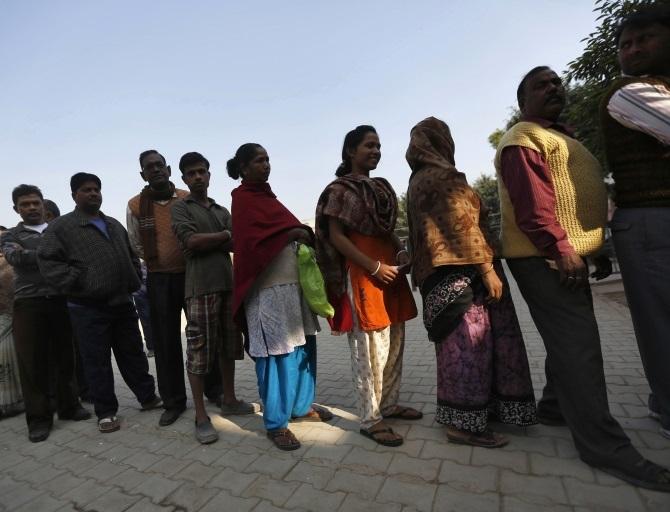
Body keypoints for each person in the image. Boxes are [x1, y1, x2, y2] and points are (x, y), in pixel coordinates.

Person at [495, 66, 670, 491]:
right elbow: (533, 205)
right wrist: (561, 249)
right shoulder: (523, 137)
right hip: (543, 258)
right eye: (542, 84)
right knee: (580, 347)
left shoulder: (563, 136)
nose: (555, 87)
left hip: (565, 254)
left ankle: (555, 408)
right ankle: (604, 446)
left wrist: (592, 251)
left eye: (557, 82)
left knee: (568, 342)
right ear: (523, 101)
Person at [406, 117, 537, 448]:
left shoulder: (417, 181)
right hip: (466, 277)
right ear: (442, 142)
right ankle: (463, 426)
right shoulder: (444, 177)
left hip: (439, 280)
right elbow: (465, 227)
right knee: (472, 347)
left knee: (456, 350)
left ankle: (469, 413)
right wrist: (487, 269)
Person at [315, 125, 419, 447]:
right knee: (370, 350)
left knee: (395, 342)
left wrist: (400, 249)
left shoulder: (380, 189)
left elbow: (385, 229)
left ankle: (388, 403)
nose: (375, 151)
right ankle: (370, 418)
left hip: (391, 273)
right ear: (350, 151)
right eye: (368, 146)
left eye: (378, 146)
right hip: (365, 275)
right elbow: (336, 237)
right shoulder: (339, 191)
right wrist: (373, 266)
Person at [38, 173, 162, 434]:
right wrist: (78, 280)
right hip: (87, 308)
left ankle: (147, 397)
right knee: (97, 361)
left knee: (133, 354)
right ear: (74, 195)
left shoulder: (114, 224)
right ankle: (105, 412)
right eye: (86, 190)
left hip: (122, 303)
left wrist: (134, 279)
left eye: (96, 189)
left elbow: (131, 255)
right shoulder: (62, 227)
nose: (93, 193)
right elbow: (48, 262)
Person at [228, 143, 331, 451]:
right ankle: (276, 423)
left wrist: (299, 233)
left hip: (291, 288)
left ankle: (301, 407)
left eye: (268, 159)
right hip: (267, 292)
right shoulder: (243, 200)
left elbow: (289, 228)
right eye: (259, 161)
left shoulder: (269, 198)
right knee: (276, 357)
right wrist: (289, 235)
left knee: (301, 348)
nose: (266, 165)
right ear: (244, 168)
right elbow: (249, 245)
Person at [600, 6, 670, 439]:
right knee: (661, 322)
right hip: (651, 220)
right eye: (626, 44)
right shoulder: (628, 93)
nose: (634, 50)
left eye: (645, 39)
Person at [172, 151, 258, 444]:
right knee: (198, 351)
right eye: (191, 173)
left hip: (227, 285)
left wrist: (220, 237)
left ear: (209, 175)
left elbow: (239, 241)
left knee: (228, 345)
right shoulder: (180, 208)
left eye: (202, 172)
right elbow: (191, 242)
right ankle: (200, 416)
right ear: (183, 178)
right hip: (200, 289)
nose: (197, 177)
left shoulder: (221, 209)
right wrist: (223, 236)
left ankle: (230, 400)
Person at [1, 185, 90, 442]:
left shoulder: (58, 230)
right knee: (33, 362)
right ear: (16, 209)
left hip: (62, 300)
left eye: (35, 203)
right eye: (25, 204)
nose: (31, 207)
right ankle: (39, 419)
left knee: (67, 357)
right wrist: (54, 255)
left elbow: (77, 259)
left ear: (43, 205)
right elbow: (16, 258)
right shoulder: (10, 235)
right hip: (30, 303)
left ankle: (69, 406)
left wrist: (58, 264)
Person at [127, 150, 191, 426]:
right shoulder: (135, 205)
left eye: (159, 165)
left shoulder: (186, 198)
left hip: (191, 275)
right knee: (166, 343)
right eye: (148, 167)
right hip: (158, 278)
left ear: (168, 169)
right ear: (143, 175)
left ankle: (213, 392)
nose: (155, 170)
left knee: (202, 334)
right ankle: (174, 402)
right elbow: (135, 242)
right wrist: (158, 258)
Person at [0, 226, 24, 420]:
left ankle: (16, 400)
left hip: (15, 315)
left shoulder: (12, 259)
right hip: (5, 319)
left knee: (11, 357)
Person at [132, 260, 154, 357]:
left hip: (154, 282)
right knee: (145, 319)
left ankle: (159, 344)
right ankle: (151, 346)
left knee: (160, 316)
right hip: (139, 288)